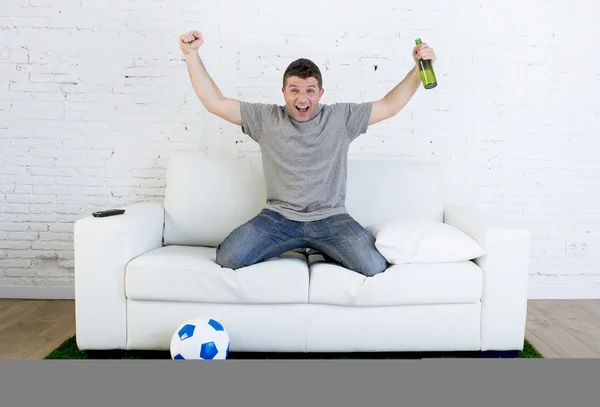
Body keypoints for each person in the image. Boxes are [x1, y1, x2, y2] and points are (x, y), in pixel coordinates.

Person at [178, 30, 437, 277]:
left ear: (320, 93)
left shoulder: (340, 117)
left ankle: (326, 246)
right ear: (284, 93)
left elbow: (389, 105)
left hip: (331, 218)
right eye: (294, 90)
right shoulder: (265, 118)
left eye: (310, 90)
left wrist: (417, 71)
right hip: (279, 217)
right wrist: (191, 55)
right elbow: (215, 102)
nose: (302, 97)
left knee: (372, 265)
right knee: (229, 258)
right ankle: (311, 246)